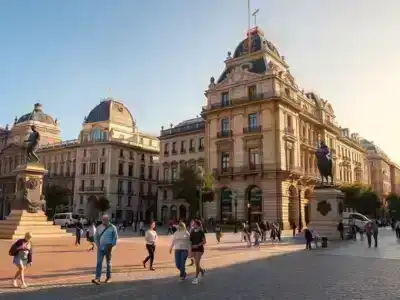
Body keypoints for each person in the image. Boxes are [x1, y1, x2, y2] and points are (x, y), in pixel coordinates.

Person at [91, 214, 118, 285]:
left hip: (109, 247)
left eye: (105, 219)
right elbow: (96, 237)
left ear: (108, 220)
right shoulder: (99, 227)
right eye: (103, 219)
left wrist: (111, 246)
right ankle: (97, 278)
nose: (104, 221)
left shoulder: (112, 227)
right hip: (100, 247)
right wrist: (98, 245)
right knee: (99, 262)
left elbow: (115, 238)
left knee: (108, 263)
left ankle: (108, 277)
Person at [190, 220, 206, 285]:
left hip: (199, 249)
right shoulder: (192, 231)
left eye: (194, 224)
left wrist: (198, 245)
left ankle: (196, 278)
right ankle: (202, 271)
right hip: (193, 249)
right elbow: (190, 240)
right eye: (193, 224)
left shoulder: (201, 232)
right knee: (197, 263)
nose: (193, 225)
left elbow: (204, 241)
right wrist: (191, 246)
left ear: (197, 225)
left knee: (197, 262)